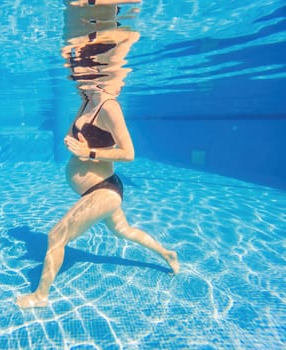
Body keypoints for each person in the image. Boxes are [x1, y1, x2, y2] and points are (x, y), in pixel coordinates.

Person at [16, 0, 179, 309]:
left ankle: (40, 296)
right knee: (126, 231)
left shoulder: (108, 106)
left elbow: (129, 153)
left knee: (55, 236)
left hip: (103, 191)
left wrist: (88, 152)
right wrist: (71, 137)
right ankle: (167, 253)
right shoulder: (86, 100)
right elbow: (76, 134)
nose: (78, 77)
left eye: (83, 74)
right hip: (98, 190)